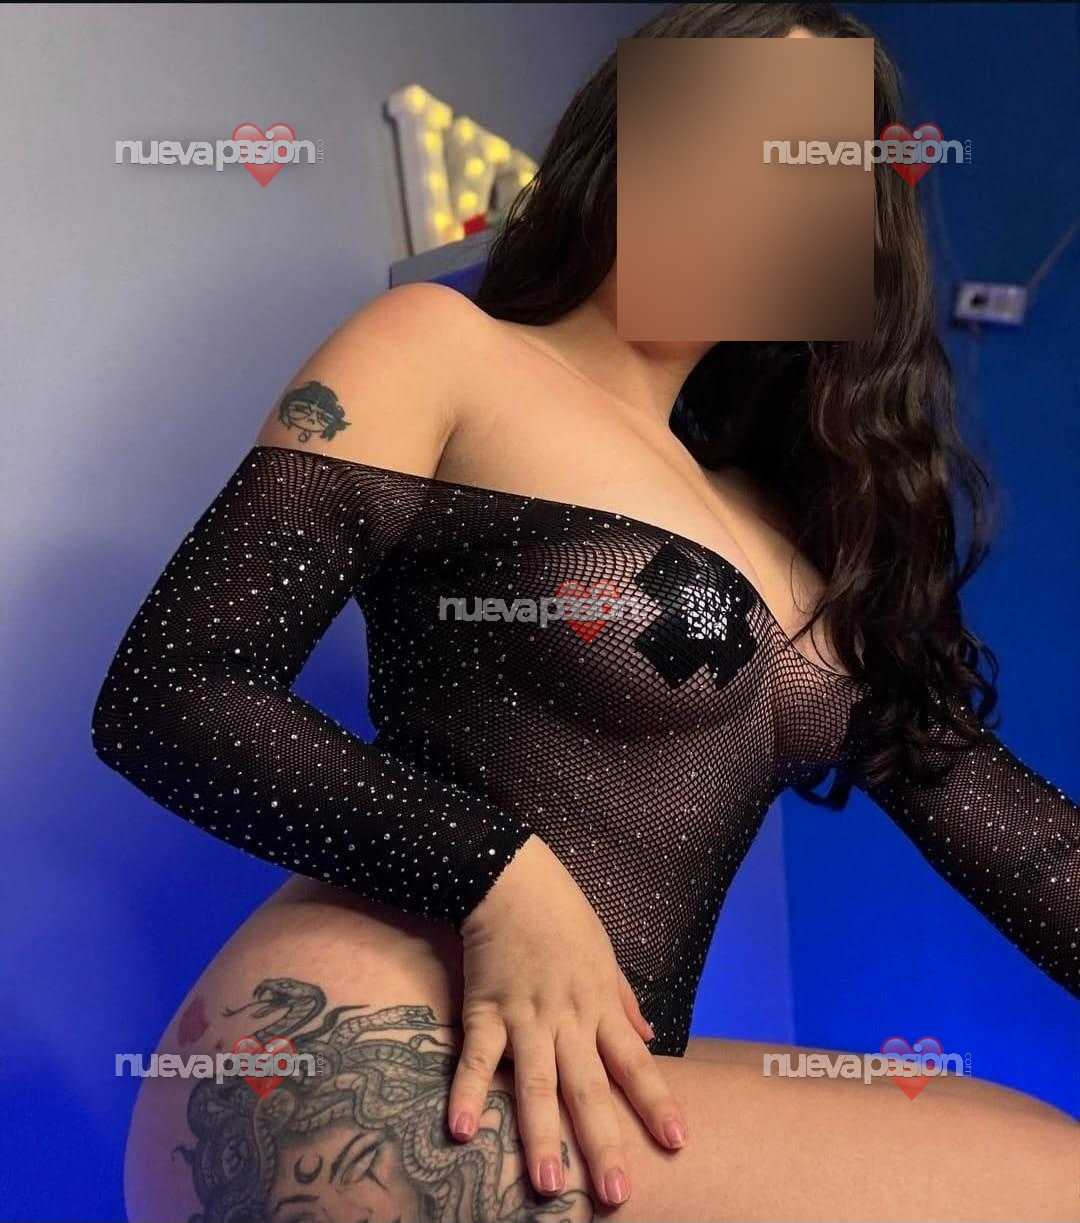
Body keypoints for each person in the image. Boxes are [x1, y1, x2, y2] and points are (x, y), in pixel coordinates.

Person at [91, 4, 1080, 1219]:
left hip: (568, 1096)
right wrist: (500, 873)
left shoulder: (797, 535)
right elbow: (172, 692)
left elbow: (1037, 853)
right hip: (362, 1068)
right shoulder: (447, 349)